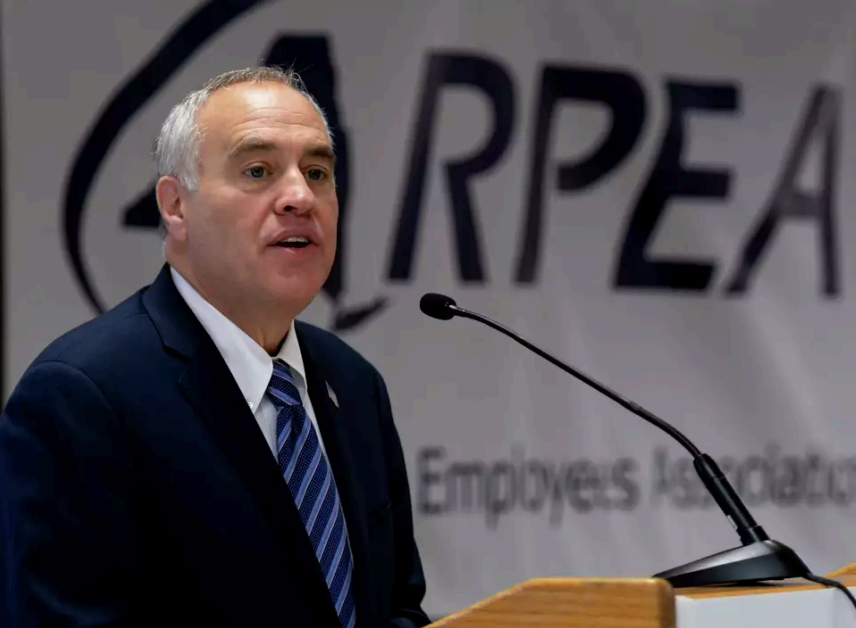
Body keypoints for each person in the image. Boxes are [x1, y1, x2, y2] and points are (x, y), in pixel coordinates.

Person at [0, 67, 431, 628]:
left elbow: (398, 606)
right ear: (175, 206)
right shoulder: (81, 397)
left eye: (319, 171)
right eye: (258, 170)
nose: (300, 196)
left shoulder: (353, 383)